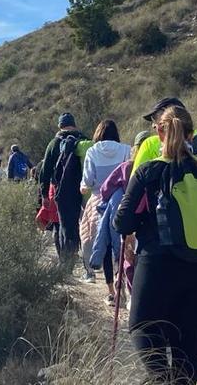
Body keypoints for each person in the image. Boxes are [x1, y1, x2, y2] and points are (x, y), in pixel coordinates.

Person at [114, 106, 197, 384]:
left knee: (143, 326)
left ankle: (160, 378)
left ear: (158, 132)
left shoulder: (149, 171)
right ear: (192, 135)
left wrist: (141, 223)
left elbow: (121, 223)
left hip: (159, 263)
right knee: (188, 336)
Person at [91, 130, 151, 307]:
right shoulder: (161, 166)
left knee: (124, 258)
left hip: (125, 219)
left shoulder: (127, 167)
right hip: (148, 222)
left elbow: (105, 189)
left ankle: (124, 294)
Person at [78, 120, 129, 293]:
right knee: (122, 243)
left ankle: (111, 292)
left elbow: (88, 181)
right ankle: (121, 281)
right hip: (122, 200)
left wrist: (84, 187)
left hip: (99, 200)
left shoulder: (92, 151)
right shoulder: (126, 149)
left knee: (103, 241)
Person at [38, 113, 91, 263]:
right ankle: (87, 259)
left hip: (62, 189)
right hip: (86, 188)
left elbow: (45, 171)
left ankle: (66, 259)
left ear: (60, 126)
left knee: (61, 223)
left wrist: (44, 195)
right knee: (84, 222)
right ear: (74, 124)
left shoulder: (54, 143)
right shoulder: (85, 139)